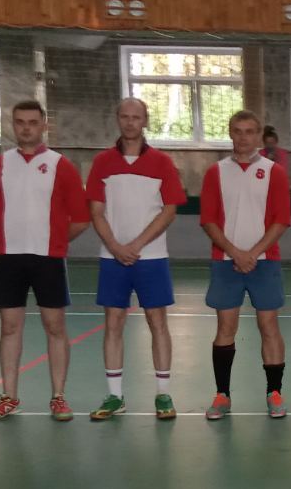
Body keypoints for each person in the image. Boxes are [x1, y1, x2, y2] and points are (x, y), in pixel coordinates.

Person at [0, 101, 91, 422]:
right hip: (9, 258)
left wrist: (54, 240)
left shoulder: (61, 165)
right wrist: (11, 234)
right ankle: (8, 397)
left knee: (55, 326)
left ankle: (58, 397)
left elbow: (81, 218)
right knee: (9, 327)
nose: (26, 128)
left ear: (44, 125)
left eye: (32, 122)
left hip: (48, 259)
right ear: (12, 125)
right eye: (20, 122)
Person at [86, 98, 187, 421]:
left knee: (158, 323)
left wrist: (136, 245)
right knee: (113, 323)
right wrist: (116, 247)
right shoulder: (102, 162)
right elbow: (96, 211)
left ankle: (163, 395)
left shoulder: (162, 163)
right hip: (112, 258)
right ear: (118, 119)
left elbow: (169, 210)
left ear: (145, 121)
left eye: (136, 117)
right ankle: (115, 397)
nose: (130, 122)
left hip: (152, 258)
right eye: (125, 116)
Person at [199, 110, 291, 420]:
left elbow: (281, 220)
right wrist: (235, 253)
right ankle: (222, 395)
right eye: (238, 131)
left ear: (259, 136)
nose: (243, 137)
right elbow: (209, 220)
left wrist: (252, 253)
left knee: (269, 326)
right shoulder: (215, 172)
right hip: (225, 263)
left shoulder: (274, 172)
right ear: (230, 133)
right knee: (226, 328)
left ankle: (274, 393)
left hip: (265, 262)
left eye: (249, 131)